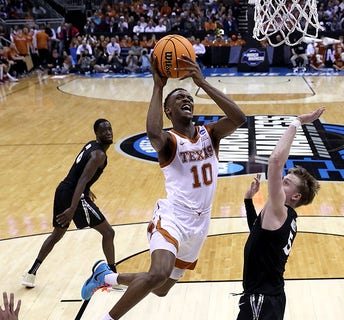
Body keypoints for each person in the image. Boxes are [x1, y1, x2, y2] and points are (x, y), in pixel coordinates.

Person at [81, 54, 246, 320]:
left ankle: (106, 276)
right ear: (168, 110)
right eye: (178, 98)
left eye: (188, 97)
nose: (186, 99)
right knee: (157, 273)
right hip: (173, 218)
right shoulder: (169, 141)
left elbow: (239, 118)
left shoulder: (210, 133)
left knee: (160, 289)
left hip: (200, 224)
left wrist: (201, 83)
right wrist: (158, 87)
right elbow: (153, 133)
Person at [237, 107, 324, 320]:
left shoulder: (280, 210)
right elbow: (257, 233)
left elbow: (275, 161)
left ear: (295, 197)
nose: (278, 183)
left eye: (286, 183)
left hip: (262, 299)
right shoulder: (285, 217)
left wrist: (297, 122)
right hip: (267, 297)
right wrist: (249, 201)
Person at [21, 119, 116, 288]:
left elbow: (78, 173)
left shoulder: (91, 145)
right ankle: (113, 276)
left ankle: (31, 273)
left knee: (57, 234)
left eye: (109, 129)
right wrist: (73, 208)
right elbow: (82, 179)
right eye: (104, 130)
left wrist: (87, 188)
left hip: (63, 190)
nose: (108, 132)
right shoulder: (99, 155)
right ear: (97, 134)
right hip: (75, 197)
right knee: (108, 233)